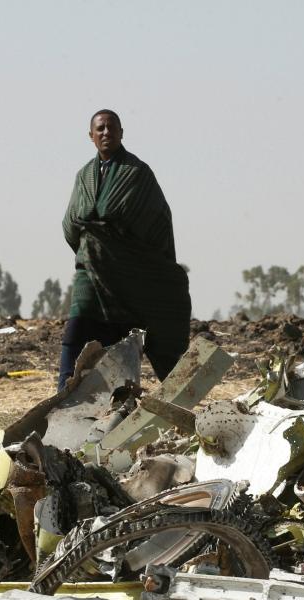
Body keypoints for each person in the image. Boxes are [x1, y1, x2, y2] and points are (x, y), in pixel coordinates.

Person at [58, 109, 191, 390]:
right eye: (100, 129)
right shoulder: (84, 176)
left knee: (119, 339)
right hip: (90, 272)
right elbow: (71, 223)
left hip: (128, 276)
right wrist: (93, 247)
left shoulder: (137, 173)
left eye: (112, 128)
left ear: (121, 133)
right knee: (75, 332)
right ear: (91, 136)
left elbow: (157, 221)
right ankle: (63, 395)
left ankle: (119, 401)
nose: (106, 133)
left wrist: (120, 248)